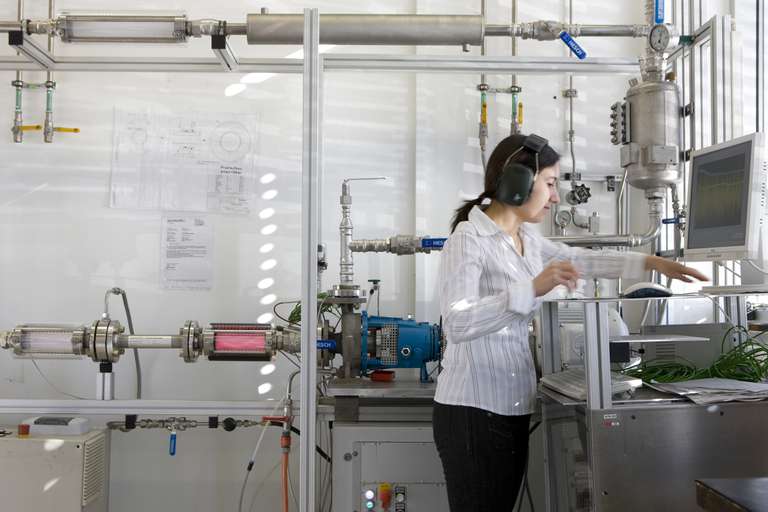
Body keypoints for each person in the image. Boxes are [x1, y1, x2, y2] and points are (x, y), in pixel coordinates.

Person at [432, 133, 707, 511]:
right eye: (549, 183)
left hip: (510, 408)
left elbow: (580, 260)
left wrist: (650, 262)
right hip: (473, 413)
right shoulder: (469, 239)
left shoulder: (525, 238)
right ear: (518, 182)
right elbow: (458, 322)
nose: (555, 197)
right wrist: (532, 287)